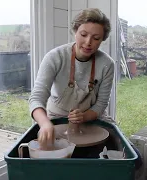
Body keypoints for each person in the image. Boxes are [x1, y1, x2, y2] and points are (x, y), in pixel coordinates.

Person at [29, 8, 115, 146]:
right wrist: (45, 124)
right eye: (83, 34)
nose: (88, 42)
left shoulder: (107, 64)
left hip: (90, 117)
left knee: (129, 153)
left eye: (96, 38)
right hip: (57, 117)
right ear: (75, 32)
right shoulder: (55, 57)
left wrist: (84, 116)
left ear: (102, 40)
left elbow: (101, 104)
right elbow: (36, 98)